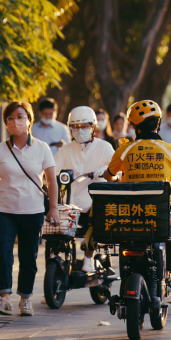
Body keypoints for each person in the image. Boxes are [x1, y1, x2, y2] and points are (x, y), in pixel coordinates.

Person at [104, 100, 171, 292]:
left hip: (128, 216)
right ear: (158, 124)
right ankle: (168, 274)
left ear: (133, 127)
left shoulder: (124, 150)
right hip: (159, 217)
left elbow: (108, 176)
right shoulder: (170, 150)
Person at [0, 101, 60, 317]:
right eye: (10, 118)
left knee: (28, 256)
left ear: (29, 120)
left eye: (20, 116)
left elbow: (52, 181)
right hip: (4, 211)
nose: (16, 121)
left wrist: (53, 208)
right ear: (6, 123)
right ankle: (4, 299)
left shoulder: (42, 148)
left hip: (33, 211)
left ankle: (26, 299)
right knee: (3, 255)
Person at [55, 106, 115, 272]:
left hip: (96, 200)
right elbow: (52, 172)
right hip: (71, 200)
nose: (79, 130)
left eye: (84, 126)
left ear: (93, 127)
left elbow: (116, 170)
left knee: (99, 213)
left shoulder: (105, 147)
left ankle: (88, 257)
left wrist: (103, 171)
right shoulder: (65, 150)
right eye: (75, 127)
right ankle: (55, 263)